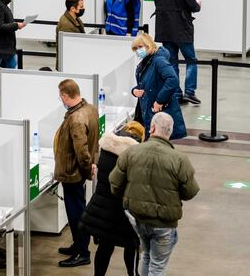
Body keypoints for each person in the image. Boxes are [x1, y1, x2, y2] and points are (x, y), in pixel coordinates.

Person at [110, 112, 200, 276]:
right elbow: (190, 192)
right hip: (164, 223)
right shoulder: (180, 160)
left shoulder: (131, 152)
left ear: (151, 128)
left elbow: (114, 184)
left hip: (138, 218)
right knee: (158, 266)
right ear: (169, 132)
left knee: (146, 257)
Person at [80, 122, 145, 276]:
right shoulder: (134, 156)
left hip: (103, 207)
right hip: (123, 208)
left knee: (105, 246)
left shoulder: (107, 148)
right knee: (131, 244)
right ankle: (132, 273)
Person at [54, 78, 100, 267]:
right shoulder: (90, 109)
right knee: (77, 210)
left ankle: (82, 252)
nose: (60, 99)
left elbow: (81, 150)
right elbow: (95, 141)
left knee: (76, 213)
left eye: (60, 96)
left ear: (65, 95)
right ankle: (78, 244)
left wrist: (87, 167)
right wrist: (92, 165)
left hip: (73, 173)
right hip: (79, 172)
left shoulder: (76, 119)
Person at [154, 0, 201, 105]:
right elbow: (193, 6)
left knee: (172, 61)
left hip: (164, 28)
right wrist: (198, 4)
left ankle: (175, 92)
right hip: (182, 28)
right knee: (191, 60)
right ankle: (189, 92)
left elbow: (157, 3)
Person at [131, 33, 188, 140]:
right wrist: (134, 91)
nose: (138, 51)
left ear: (149, 45)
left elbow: (172, 79)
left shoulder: (158, 60)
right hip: (149, 111)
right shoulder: (145, 63)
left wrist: (160, 101)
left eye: (140, 47)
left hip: (158, 111)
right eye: (136, 48)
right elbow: (144, 84)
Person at [55, 0, 85, 69]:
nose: (83, 8)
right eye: (81, 7)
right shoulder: (66, 25)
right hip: (69, 65)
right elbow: (67, 51)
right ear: (72, 9)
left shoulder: (74, 18)